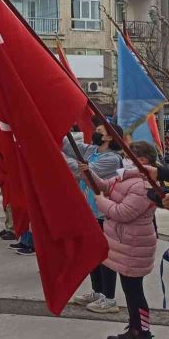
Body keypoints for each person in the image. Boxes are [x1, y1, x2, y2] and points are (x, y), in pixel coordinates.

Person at [80, 141, 160, 339]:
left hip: (135, 246)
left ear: (142, 161)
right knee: (130, 291)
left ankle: (144, 338)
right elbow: (106, 185)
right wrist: (89, 175)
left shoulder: (144, 185)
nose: (124, 159)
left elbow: (123, 212)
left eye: (129, 156)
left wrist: (100, 203)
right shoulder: (127, 177)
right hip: (126, 245)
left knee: (136, 294)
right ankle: (134, 331)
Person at [65, 123, 125, 314]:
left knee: (105, 257)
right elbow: (66, 145)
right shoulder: (92, 150)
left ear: (109, 138)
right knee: (92, 255)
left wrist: (55, 156)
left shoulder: (113, 159)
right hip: (89, 213)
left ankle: (109, 299)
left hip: (104, 215)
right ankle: (97, 291)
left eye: (99, 132)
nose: (95, 134)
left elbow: (83, 171)